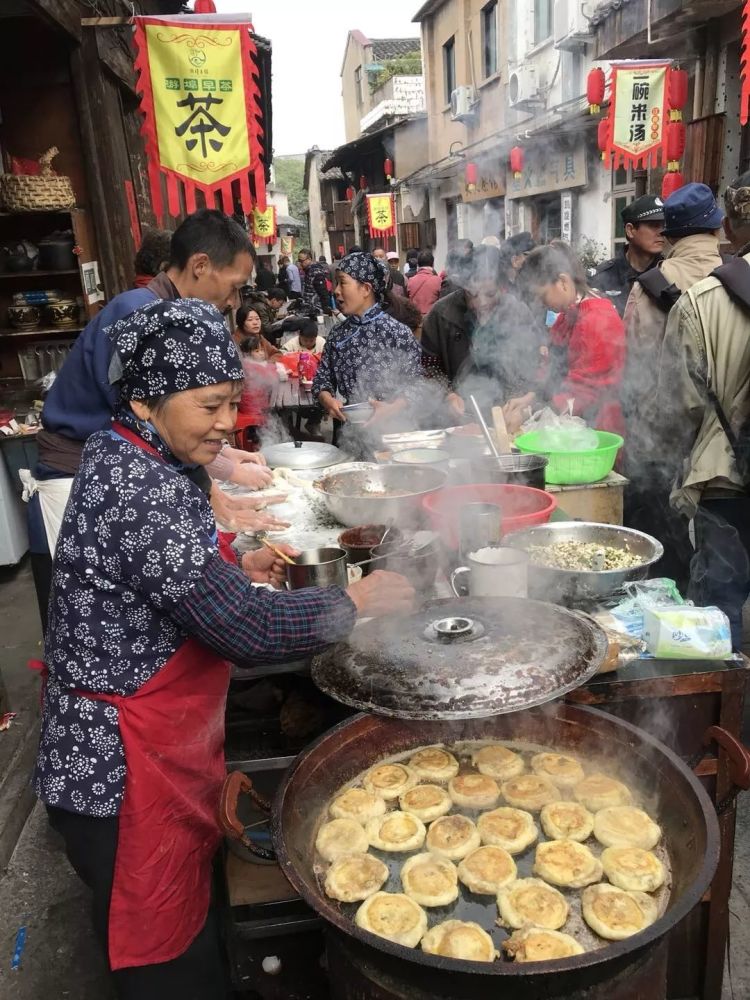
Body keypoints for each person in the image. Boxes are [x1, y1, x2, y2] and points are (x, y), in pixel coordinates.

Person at [34, 297, 414, 999]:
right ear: (146, 401)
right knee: (165, 963)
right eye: (208, 406)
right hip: (117, 769)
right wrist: (349, 605)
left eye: (231, 403)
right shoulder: (137, 484)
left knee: (191, 928)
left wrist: (228, 571)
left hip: (147, 748)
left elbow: (156, 583)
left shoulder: (139, 452)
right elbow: (245, 630)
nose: (222, 424)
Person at [25, 210, 275, 630]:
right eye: (233, 286)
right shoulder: (138, 312)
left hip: (112, 478)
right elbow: (150, 424)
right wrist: (216, 490)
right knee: (101, 626)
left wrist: (222, 462)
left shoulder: (167, 312)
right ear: (199, 265)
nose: (234, 301)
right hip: (75, 478)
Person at [653, 172, 750, 645]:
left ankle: (724, 715)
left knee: (720, 608)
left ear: (729, 229)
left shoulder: (702, 302)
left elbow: (676, 407)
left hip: (726, 482)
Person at [622, 183, 724, 585]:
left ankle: (672, 609)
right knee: (725, 554)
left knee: (664, 539)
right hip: (730, 442)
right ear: (718, 229)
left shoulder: (648, 287)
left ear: (669, 235)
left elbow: (634, 370)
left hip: (663, 439)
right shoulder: (739, 276)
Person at [420, 245, 541, 422]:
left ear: (502, 287)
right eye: (473, 294)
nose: (481, 302)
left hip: (506, 412)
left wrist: (518, 399)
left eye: (490, 294)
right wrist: (447, 394)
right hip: (457, 417)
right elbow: (429, 366)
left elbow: (531, 364)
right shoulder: (441, 314)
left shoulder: (518, 313)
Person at [312, 252, 423, 438]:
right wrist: (327, 399)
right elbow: (322, 379)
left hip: (393, 431)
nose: (336, 290)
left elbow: (417, 385)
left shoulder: (397, 333)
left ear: (365, 289)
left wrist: (391, 408)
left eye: (342, 282)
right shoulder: (338, 334)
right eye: (336, 283)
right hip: (349, 432)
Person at [520, 243, 625, 435]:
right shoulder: (567, 314)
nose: (541, 303)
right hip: (570, 426)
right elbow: (552, 367)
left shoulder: (596, 320)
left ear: (563, 282)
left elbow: (582, 392)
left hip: (595, 432)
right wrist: (530, 397)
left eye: (543, 296)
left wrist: (530, 413)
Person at [592, 195, 665, 316]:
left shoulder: (669, 273)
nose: (661, 232)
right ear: (630, 230)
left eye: (664, 226)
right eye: (654, 225)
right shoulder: (601, 278)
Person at [406, 251, 442, 316]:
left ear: (418, 265)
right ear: (433, 264)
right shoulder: (438, 280)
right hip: (431, 318)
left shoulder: (410, 281)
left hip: (416, 319)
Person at [298, 248, 332, 314]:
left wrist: (325, 309)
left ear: (309, 259)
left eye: (301, 261)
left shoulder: (316, 272)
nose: (300, 263)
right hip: (309, 309)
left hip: (316, 310)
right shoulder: (308, 271)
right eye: (298, 261)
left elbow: (323, 293)